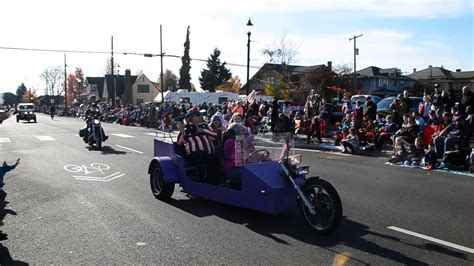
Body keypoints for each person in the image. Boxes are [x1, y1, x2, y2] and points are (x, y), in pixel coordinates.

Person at [177, 110, 217, 180]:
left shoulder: (205, 126)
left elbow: (214, 136)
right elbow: (179, 142)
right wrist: (182, 132)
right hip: (195, 154)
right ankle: (202, 178)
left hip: (209, 153)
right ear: (191, 117)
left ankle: (214, 180)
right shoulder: (186, 128)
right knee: (200, 155)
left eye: (200, 115)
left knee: (215, 160)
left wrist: (203, 130)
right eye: (197, 115)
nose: (200, 117)